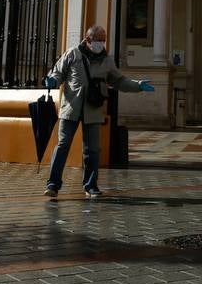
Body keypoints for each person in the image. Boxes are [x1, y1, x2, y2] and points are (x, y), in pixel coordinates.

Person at [43, 25, 154, 199]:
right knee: (63, 145)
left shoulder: (107, 60)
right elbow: (58, 73)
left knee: (92, 150)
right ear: (88, 40)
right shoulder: (72, 54)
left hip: (93, 110)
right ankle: (53, 184)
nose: (101, 43)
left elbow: (119, 81)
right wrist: (51, 81)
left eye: (103, 40)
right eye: (98, 40)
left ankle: (91, 186)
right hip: (70, 109)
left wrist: (138, 85)